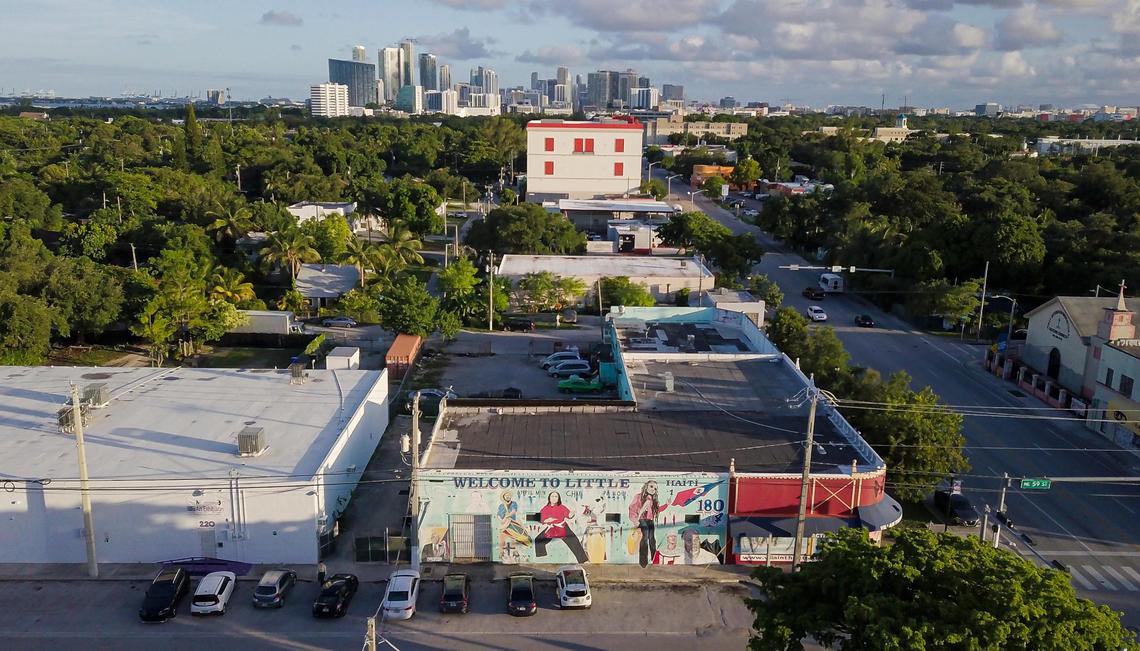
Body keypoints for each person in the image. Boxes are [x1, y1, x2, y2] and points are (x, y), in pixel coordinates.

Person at [534, 491, 587, 563]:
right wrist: (546, 520)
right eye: (552, 496)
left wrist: (572, 513)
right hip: (552, 528)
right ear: (549, 498)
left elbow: (569, 516)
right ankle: (541, 558)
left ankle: (583, 560)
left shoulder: (562, 507)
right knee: (538, 540)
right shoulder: (545, 508)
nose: (554, 498)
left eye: (556, 496)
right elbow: (538, 518)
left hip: (563, 527)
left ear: (558, 498)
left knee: (574, 541)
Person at [628, 480, 672, 568]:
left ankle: (654, 558)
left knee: (652, 539)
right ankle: (643, 562)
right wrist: (635, 520)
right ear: (646, 487)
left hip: (650, 520)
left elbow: (657, 510)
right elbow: (632, 509)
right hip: (642, 520)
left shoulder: (652, 499)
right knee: (644, 538)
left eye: (655, 488)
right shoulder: (638, 497)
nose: (653, 489)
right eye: (651, 486)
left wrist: (666, 505)